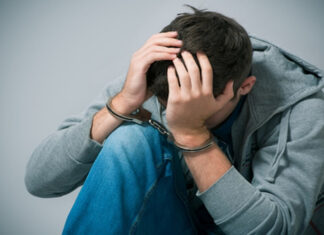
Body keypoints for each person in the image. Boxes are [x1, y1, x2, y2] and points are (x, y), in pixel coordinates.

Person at [25, 6, 324, 235]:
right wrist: (120, 105)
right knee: (128, 140)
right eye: (168, 105)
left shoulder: (301, 108)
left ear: (244, 87)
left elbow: (276, 229)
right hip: (170, 222)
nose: (173, 112)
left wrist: (192, 133)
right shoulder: (151, 84)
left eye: (197, 105)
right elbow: (39, 181)